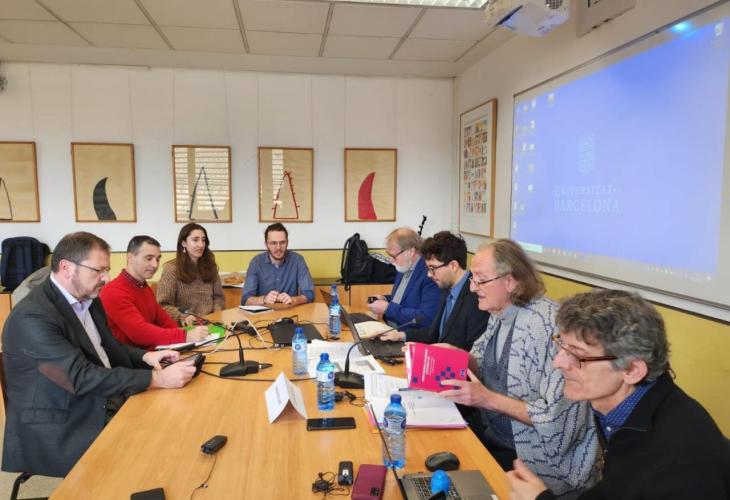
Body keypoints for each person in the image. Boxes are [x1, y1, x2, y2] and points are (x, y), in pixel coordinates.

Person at [1, 232, 197, 478]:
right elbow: (79, 377)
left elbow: (108, 348)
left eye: (107, 270)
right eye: (98, 270)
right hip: (63, 420)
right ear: (67, 268)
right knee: (159, 448)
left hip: (99, 397)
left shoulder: (89, 298)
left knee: (179, 421)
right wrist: (157, 379)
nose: (106, 278)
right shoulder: (32, 317)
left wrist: (145, 358)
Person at [508, 289, 730, 500]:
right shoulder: (623, 405)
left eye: (577, 355)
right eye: (561, 345)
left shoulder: (679, 465)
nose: (557, 363)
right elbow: (618, 487)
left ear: (632, 370)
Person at [438, 239, 597, 497]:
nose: (472, 287)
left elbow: (556, 421)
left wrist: (488, 399)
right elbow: (482, 361)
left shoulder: (547, 326)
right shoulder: (500, 312)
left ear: (510, 281)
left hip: (536, 464)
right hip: (494, 437)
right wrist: (459, 357)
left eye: (480, 280)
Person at [379, 231, 489, 350]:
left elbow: (474, 354)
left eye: (432, 268)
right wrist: (401, 336)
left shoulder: (477, 299)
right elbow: (433, 333)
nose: (429, 274)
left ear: (453, 266)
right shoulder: (447, 288)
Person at [100, 235, 209, 350]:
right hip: (134, 358)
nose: (155, 265)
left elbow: (163, 320)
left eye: (157, 259)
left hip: (153, 352)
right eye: (149, 258)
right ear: (130, 257)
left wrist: (187, 335)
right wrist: (185, 336)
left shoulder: (143, 286)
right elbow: (139, 333)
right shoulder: (114, 291)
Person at [367, 227, 440, 330]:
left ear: (411, 252)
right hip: (389, 328)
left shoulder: (430, 275)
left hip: (407, 336)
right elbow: (404, 300)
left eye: (394, 256)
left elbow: (426, 318)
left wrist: (387, 308)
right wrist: (384, 299)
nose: (391, 260)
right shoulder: (404, 265)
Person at [157, 223, 225, 325]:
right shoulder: (171, 269)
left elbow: (219, 297)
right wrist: (182, 316)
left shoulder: (210, 266)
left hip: (210, 323)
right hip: (184, 327)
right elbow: (163, 305)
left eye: (203, 240)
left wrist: (215, 314)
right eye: (195, 240)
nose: (201, 245)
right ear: (184, 243)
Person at [241, 223, 314, 306]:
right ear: (266, 244)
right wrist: (264, 299)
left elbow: (309, 294)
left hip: (290, 311)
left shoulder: (298, 260)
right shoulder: (256, 262)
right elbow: (245, 300)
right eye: (273, 243)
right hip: (264, 313)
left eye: (282, 242)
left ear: (287, 242)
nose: (278, 247)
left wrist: (293, 300)